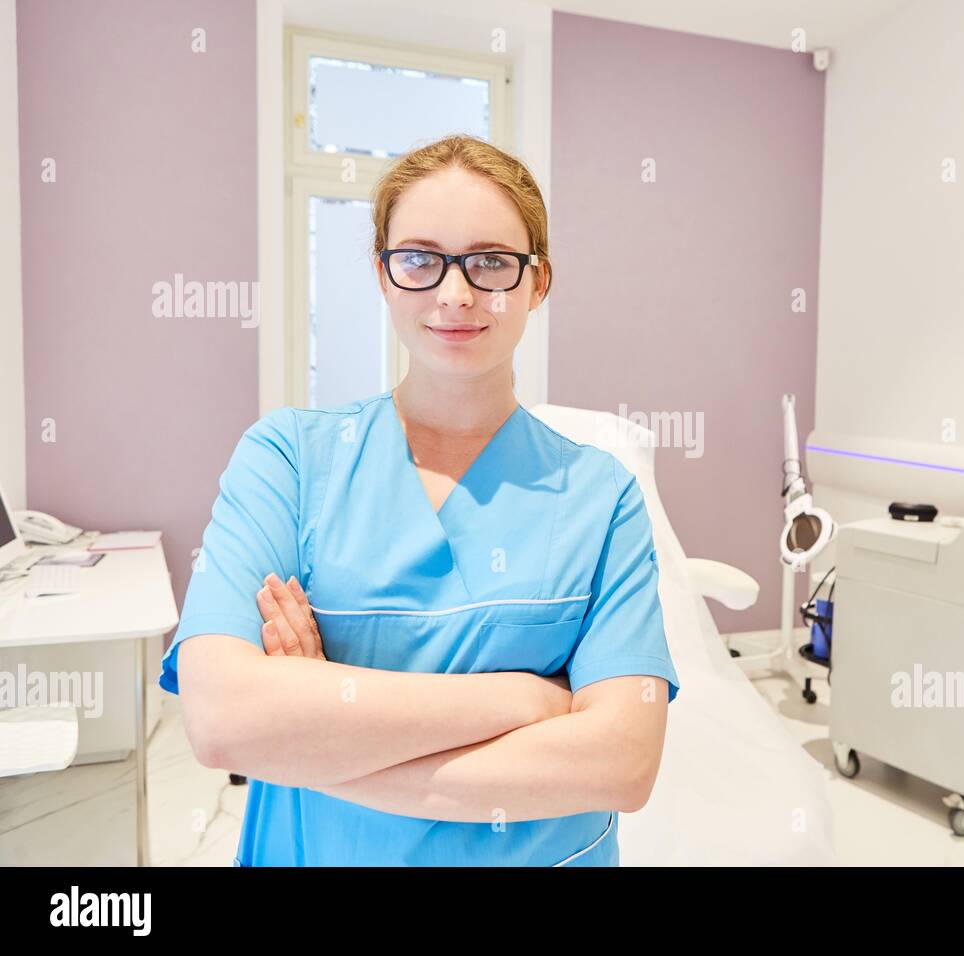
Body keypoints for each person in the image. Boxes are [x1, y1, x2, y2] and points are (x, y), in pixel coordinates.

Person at [159, 134, 680, 866]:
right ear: (382, 273)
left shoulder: (600, 497)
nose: (455, 293)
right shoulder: (288, 459)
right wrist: (525, 701)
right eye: (420, 258)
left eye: (492, 261)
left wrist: (317, 728)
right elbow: (223, 722)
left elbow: (622, 763)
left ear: (538, 282)